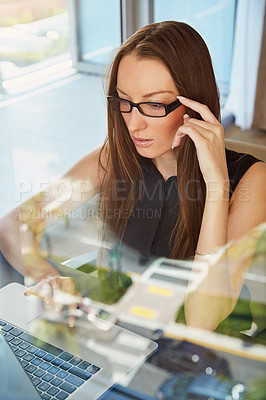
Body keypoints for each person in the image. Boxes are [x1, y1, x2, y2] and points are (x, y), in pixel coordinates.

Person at [0, 21, 265, 330]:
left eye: (153, 105)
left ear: (194, 103)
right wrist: (48, 278)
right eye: (125, 102)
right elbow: (13, 224)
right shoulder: (115, 156)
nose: (134, 125)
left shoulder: (252, 180)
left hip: (201, 358)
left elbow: (201, 320)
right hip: (115, 334)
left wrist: (217, 186)